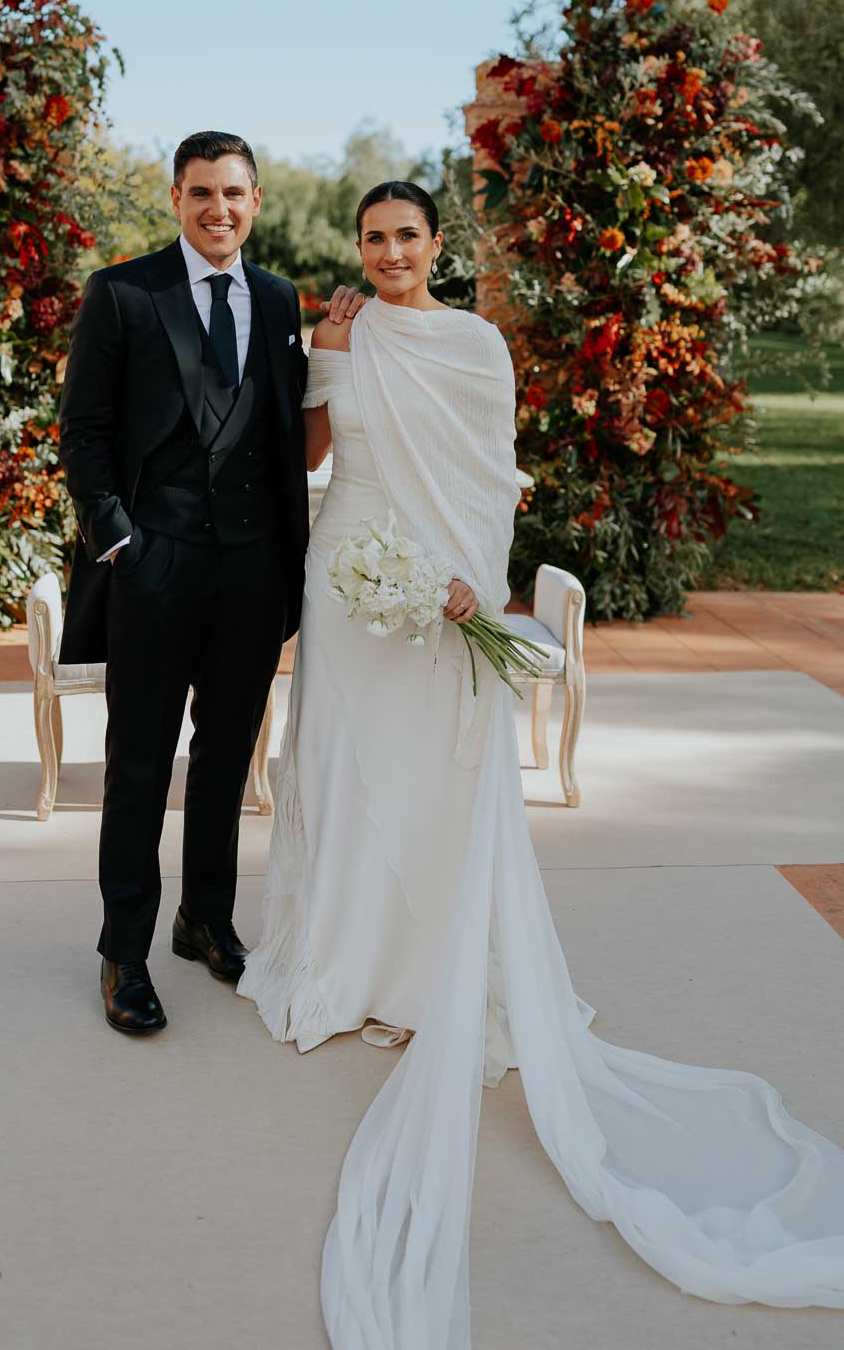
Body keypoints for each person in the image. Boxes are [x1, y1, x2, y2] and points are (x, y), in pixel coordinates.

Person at [239, 180, 844, 1347]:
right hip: (345, 575)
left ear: (435, 246)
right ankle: (344, 957)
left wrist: (473, 582)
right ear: (356, 248)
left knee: (430, 775)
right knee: (346, 766)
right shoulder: (338, 329)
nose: (390, 251)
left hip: (441, 582)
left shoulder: (474, 344)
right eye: (373, 237)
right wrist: (322, 358)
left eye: (407, 234)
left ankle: (429, 965)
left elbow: (485, 477)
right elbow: (310, 450)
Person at [57, 130, 362, 1037]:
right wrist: (119, 543)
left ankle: (205, 921)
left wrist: (285, 567)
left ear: (255, 201)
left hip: (250, 573)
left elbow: (282, 436)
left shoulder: (275, 302)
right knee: (139, 766)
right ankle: (123, 953)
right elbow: (84, 433)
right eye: (200, 193)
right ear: (177, 199)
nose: (217, 209)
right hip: (153, 569)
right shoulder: (122, 292)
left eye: (233, 193)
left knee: (228, 760)